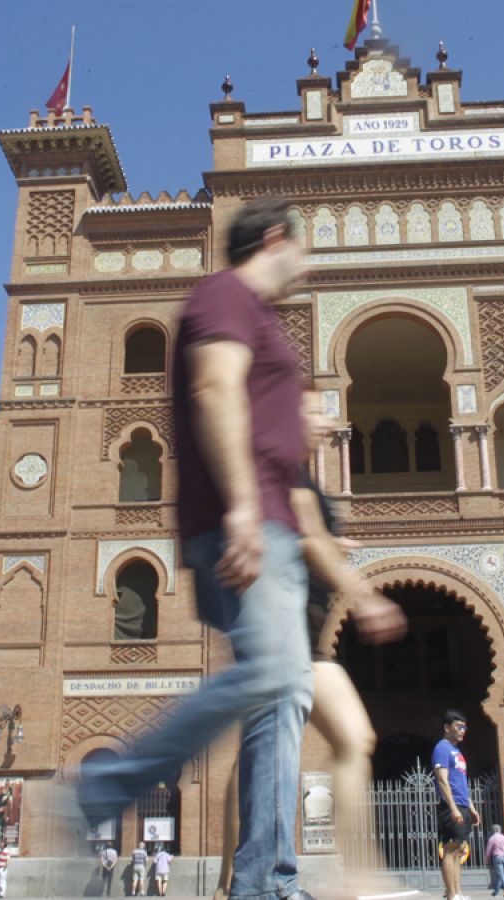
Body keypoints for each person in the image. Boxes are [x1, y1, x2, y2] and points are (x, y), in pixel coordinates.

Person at [77, 196, 316, 900]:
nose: (308, 263)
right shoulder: (224, 293)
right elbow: (215, 390)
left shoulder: (258, 316)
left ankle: (266, 881)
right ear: (273, 238)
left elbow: (263, 417)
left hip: (272, 528)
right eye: (303, 247)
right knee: (274, 679)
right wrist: (243, 507)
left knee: (282, 700)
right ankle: (109, 783)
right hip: (247, 528)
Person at [211, 392, 411, 900]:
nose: (326, 421)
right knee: (302, 748)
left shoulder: (300, 481)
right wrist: (361, 592)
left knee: (341, 741)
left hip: (307, 639)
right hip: (276, 634)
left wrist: (328, 549)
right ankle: (249, 881)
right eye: (313, 412)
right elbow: (288, 536)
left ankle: (353, 876)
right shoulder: (274, 474)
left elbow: (307, 538)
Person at [435, 710, 480, 900]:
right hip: (451, 807)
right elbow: (442, 780)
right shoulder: (442, 748)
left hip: (462, 806)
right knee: (450, 849)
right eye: (458, 726)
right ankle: (452, 894)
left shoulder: (458, 752)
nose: (462, 730)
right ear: (447, 728)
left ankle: (458, 892)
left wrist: (471, 808)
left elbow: (461, 782)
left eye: (464, 727)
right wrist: (453, 807)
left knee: (459, 850)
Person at [486, 824, 504, 896]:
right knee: (500, 874)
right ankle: (496, 891)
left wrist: (487, 859)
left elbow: (488, 850)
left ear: (492, 831)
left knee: (501, 874)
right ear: (499, 830)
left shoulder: (492, 838)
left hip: (497, 857)